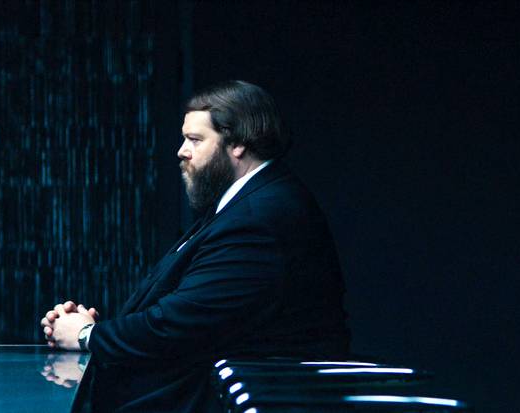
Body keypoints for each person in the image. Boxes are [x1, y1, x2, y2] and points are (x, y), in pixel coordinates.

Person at [40, 80, 350, 412]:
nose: (181, 150)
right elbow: (181, 307)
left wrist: (88, 335)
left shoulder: (259, 215)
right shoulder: (244, 204)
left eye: (195, 140)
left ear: (238, 143)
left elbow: (177, 324)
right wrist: (89, 327)